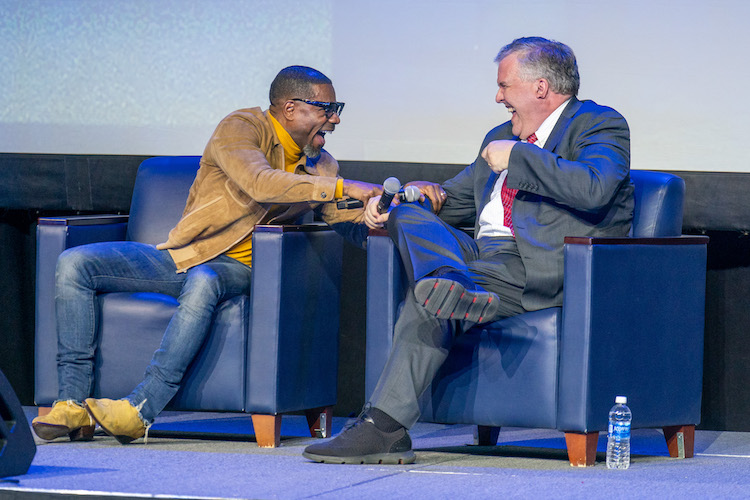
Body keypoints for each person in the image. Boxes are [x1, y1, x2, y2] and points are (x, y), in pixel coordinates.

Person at [303, 37, 635, 464]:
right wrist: (409, 199)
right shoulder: (500, 135)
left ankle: (383, 429)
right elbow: (455, 199)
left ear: (539, 87)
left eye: (504, 86)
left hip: (535, 264)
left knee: (431, 298)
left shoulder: (597, 124)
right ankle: (449, 279)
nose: (498, 97)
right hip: (477, 255)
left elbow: (594, 187)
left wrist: (519, 156)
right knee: (409, 216)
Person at [32, 65, 381, 444]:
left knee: (205, 279)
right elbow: (259, 182)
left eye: (336, 108)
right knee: (75, 262)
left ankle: (138, 410)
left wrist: (382, 211)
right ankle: (71, 402)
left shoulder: (322, 164)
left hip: (246, 269)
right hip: (186, 253)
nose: (335, 119)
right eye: (327, 108)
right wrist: (344, 186)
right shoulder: (241, 127)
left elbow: (340, 215)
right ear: (291, 108)